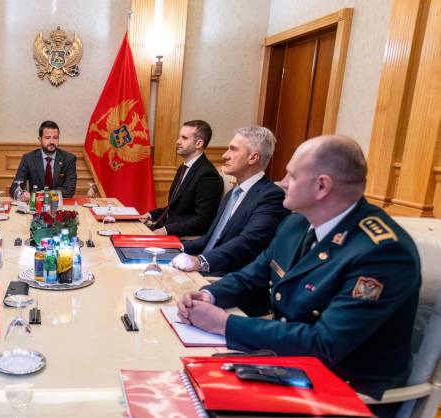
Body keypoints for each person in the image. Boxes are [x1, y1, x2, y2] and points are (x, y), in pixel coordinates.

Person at [177, 135, 420, 418]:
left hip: (344, 392)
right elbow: (253, 275)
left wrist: (225, 324)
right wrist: (209, 295)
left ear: (321, 186)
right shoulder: (297, 222)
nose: (282, 182)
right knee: (182, 389)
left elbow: (324, 344)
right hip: (290, 366)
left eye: (291, 175)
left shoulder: (381, 252)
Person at [171, 126, 289, 276]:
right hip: (201, 268)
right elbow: (210, 239)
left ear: (253, 158)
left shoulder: (271, 196)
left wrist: (200, 262)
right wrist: (173, 248)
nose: (224, 156)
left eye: (233, 149)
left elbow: (248, 242)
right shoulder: (233, 193)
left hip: (225, 278)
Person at [142, 120, 223, 236]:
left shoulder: (208, 175)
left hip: (182, 237)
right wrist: (150, 215)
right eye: (179, 137)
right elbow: (177, 207)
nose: (178, 141)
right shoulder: (184, 167)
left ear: (199, 143)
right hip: (166, 226)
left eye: (184, 138)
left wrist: (165, 231)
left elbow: (203, 220)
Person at [9, 120, 77, 199]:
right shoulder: (28, 158)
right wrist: (22, 195)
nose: (52, 142)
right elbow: (15, 188)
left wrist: (41, 194)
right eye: (47, 138)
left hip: (59, 204)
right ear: (40, 139)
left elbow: (69, 191)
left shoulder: (69, 159)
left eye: (55, 138)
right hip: (36, 204)